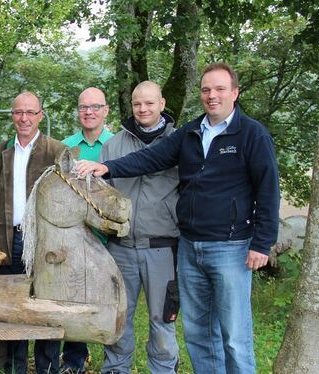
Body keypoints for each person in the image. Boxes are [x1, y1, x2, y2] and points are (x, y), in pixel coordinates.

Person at [76, 63, 280, 374]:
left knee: (235, 336)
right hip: (190, 247)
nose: (212, 96)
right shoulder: (191, 132)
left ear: (235, 93)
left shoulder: (251, 134)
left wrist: (262, 243)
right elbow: (151, 158)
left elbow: (268, 190)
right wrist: (107, 167)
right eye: (206, 90)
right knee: (198, 333)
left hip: (230, 247)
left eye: (220, 89)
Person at [0, 91, 67, 374]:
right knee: (13, 310)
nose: (24, 118)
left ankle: (48, 368)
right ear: (12, 115)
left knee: (47, 308)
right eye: (18, 112)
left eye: (30, 112)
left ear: (40, 115)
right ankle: (15, 368)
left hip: (45, 244)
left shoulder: (56, 151)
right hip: (8, 241)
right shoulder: (0, 152)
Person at [100, 81, 179, 374]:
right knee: (119, 316)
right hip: (120, 249)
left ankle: (163, 369)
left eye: (149, 103)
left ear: (162, 103)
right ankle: (117, 368)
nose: (143, 109)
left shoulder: (180, 142)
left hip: (162, 248)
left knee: (162, 319)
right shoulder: (114, 145)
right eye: (137, 104)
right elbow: (102, 194)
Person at [60, 87, 113, 374]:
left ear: (106, 111)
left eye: (95, 107)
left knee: (109, 298)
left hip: (111, 239)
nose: (89, 112)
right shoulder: (67, 146)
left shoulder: (117, 144)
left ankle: (114, 362)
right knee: (74, 298)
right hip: (75, 237)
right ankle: (73, 361)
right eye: (83, 107)